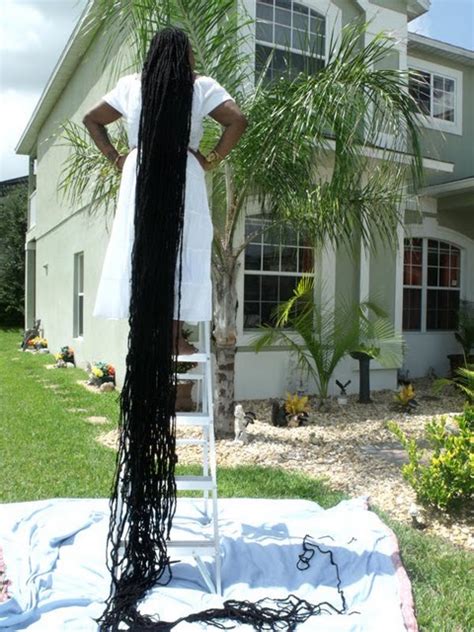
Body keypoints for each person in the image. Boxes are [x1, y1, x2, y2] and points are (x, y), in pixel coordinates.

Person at [83, 31, 247, 355]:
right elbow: (238, 120)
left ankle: (144, 331)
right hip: (183, 168)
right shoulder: (200, 85)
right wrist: (210, 159)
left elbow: (92, 119)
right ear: (187, 55)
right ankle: (174, 336)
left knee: (139, 243)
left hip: (139, 169)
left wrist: (117, 157)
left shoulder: (132, 84)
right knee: (181, 247)